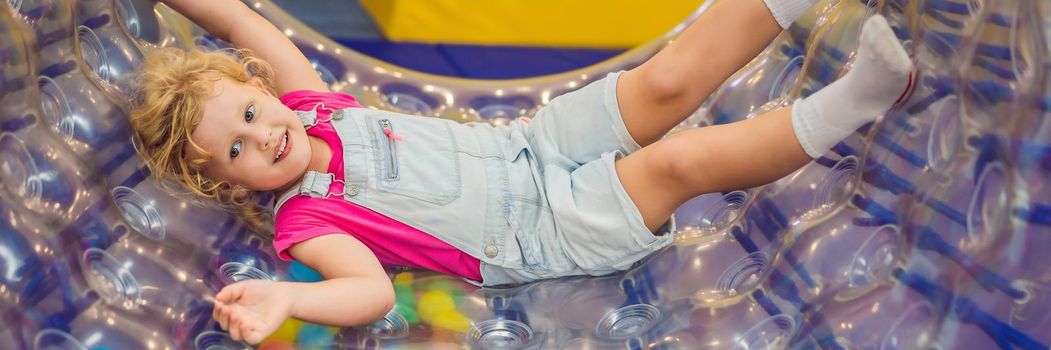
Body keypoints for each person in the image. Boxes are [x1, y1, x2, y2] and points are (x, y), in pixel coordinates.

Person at [130, 0, 914, 344]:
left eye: (248, 115)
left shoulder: (310, 105)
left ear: (263, 92)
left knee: (666, 85)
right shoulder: (307, 223)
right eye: (233, 152)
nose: (259, 138)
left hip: (528, 143)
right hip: (545, 229)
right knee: (677, 160)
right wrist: (286, 300)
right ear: (228, 185)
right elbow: (367, 294)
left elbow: (236, 19)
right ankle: (862, 99)